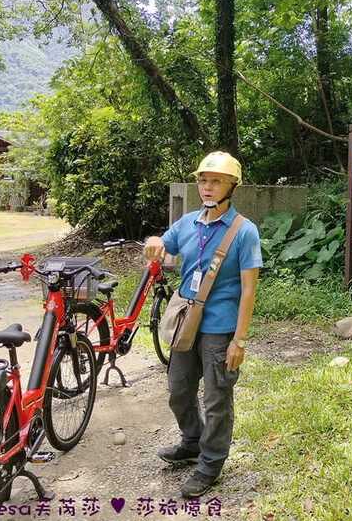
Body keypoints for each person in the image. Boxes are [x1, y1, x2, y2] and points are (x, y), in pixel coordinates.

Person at [144, 151, 262, 498]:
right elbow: (161, 244)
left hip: (219, 325)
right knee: (179, 388)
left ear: (231, 187)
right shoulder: (188, 222)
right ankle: (192, 441)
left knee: (216, 397)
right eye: (203, 180)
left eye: (215, 181)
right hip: (186, 320)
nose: (207, 187)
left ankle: (210, 464)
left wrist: (238, 340)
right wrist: (153, 242)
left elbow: (249, 290)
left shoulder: (244, 231)